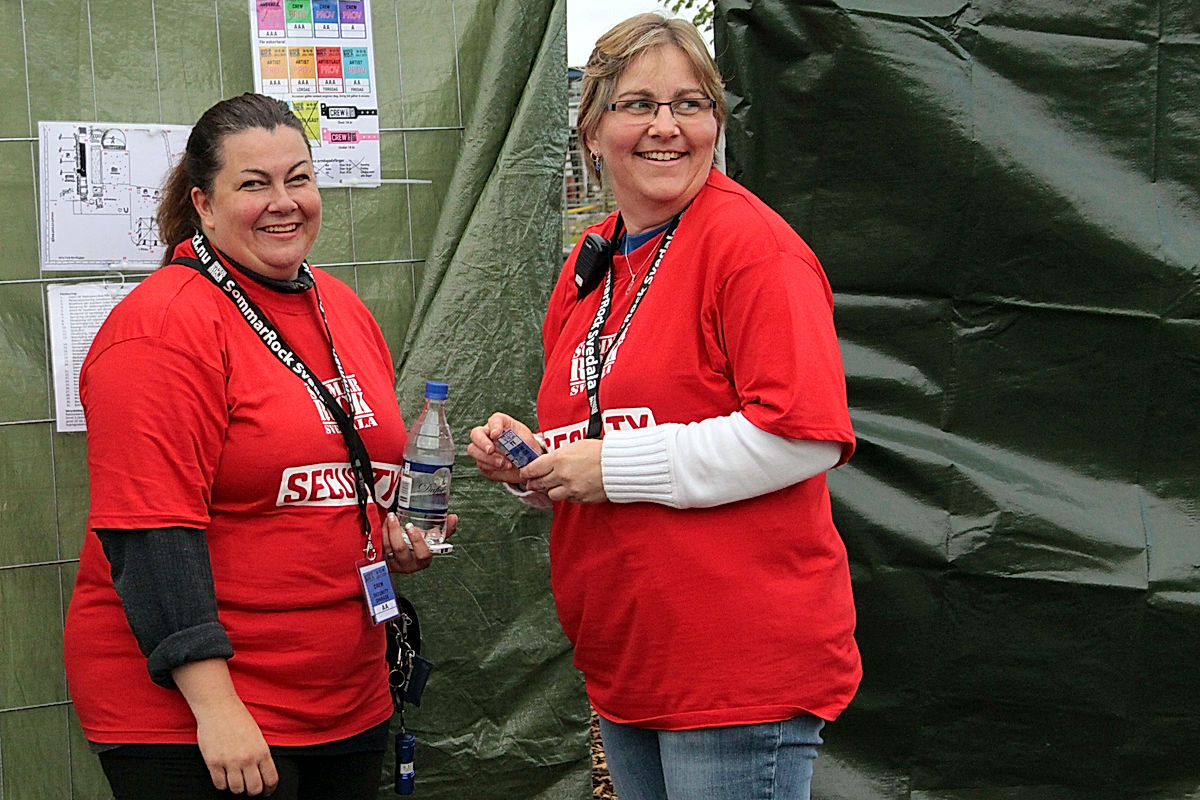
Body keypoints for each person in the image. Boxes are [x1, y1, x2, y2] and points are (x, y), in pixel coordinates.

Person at [467, 14, 859, 800]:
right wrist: (537, 464)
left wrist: (609, 467)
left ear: (717, 120)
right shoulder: (595, 260)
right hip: (630, 658)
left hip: (736, 669)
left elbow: (803, 437)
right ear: (591, 128)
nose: (666, 128)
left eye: (690, 104)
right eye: (637, 104)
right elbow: (610, 431)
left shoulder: (753, 249)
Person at [63, 93, 454, 799]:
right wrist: (215, 709)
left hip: (343, 697)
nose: (285, 202)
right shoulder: (161, 327)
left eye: (299, 178)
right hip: (202, 716)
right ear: (204, 205)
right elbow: (150, 531)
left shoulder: (340, 306)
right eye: (254, 184)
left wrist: (388, 532)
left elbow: (333, 473)